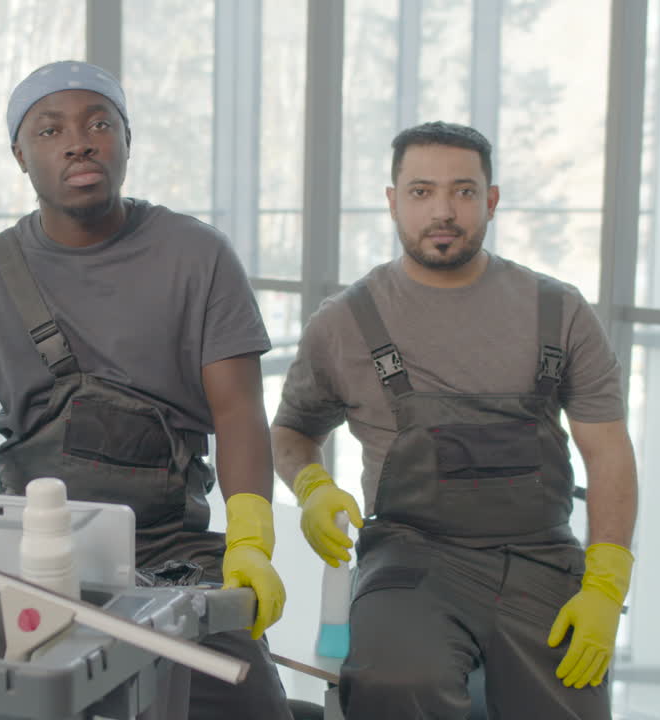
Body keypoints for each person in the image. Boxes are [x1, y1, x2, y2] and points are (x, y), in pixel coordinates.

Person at [0, 61, 293, 719]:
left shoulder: (197, 257)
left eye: (99, 123)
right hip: (33, 551)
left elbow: (238, 411)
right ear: (20, 154)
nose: (79, 141)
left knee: (249, 701)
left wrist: (252, 539)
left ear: (126, 139)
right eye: (50, 129)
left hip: (173, 555)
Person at [271, 121, 638, 718]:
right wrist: (310, 487)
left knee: (569, 702)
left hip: (540, 559)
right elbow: (292, 432)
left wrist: (607, 582)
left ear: (491, 200)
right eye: (421, 192)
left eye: (463, 191)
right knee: (395, 685)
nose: (443, 210)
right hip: (410, 558)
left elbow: (609, 452)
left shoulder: (560, 310)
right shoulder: (344, 323)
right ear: (392, 201)